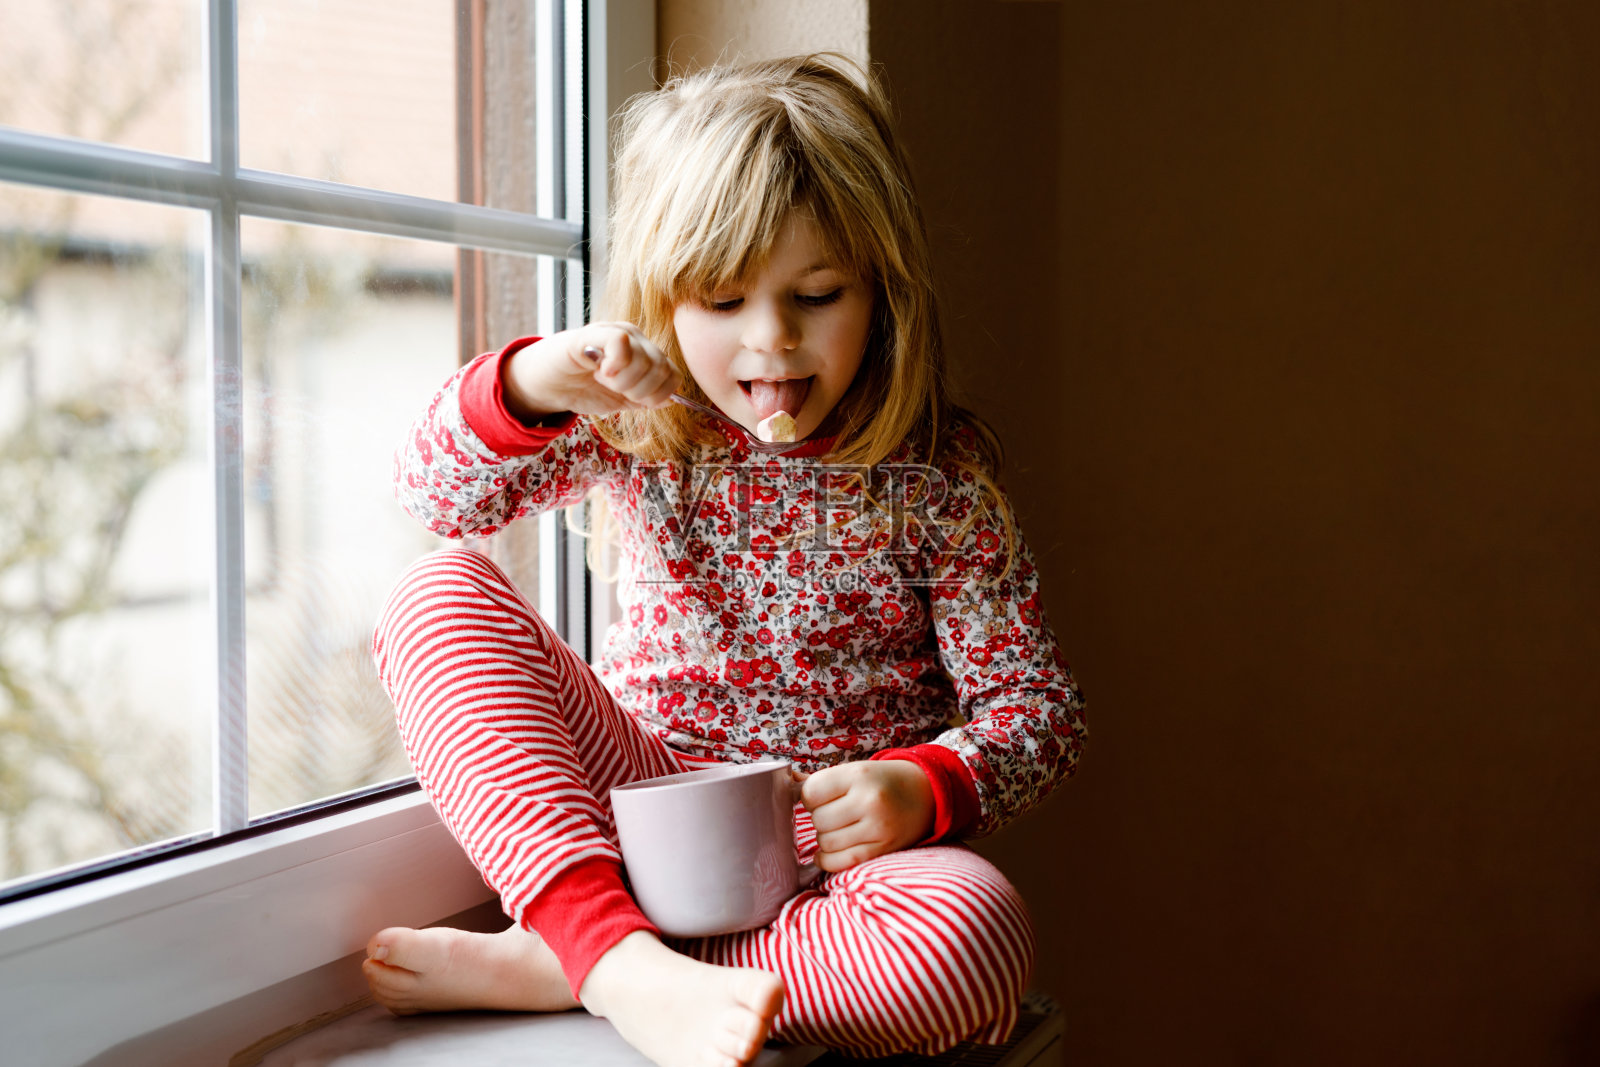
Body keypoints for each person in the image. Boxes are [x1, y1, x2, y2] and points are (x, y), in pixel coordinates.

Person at [361, 53, 1087, 1067]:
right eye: (719, 300)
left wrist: (921, 786)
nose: (770, 343)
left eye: (817, 293)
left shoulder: (939, 478)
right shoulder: (640, 422)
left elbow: (1033, 712)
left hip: (831, 863)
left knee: (972, 938)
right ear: (662, 300)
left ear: (881, 291)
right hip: (642, 810)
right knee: (433, 593)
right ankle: (616, 959)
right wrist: (534, 379)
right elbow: (435, 495)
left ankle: (575, 962)